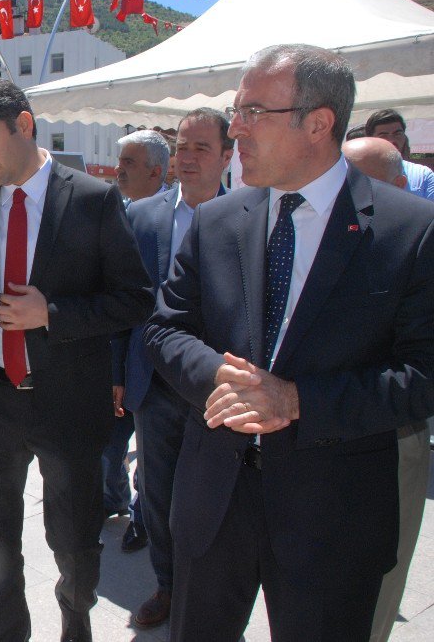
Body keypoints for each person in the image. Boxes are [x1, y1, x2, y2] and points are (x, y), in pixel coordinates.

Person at [143, 44, 434, 641]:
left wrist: (298, 400)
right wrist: (220, 377)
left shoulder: (410, 230)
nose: (236, 127)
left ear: (318, 123)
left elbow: (423, 377)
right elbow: (166, 327)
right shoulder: (218, 219)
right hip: (213, 503)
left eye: (253, 111)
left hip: (334, 518)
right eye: (236, 109)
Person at [0, 78, 153, 641]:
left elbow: (135, 298)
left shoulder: (91, 198)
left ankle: (74, 617)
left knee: (75, 539)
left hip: (67, 401)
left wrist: (51, 313)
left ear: (25, 125)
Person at [112, 108, 233, 629]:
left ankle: (211, 591)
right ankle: (167, 586)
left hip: (221, 393)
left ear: (229, 156)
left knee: (214, 504)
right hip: (154, 386)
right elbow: (124, 303)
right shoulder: (143, 217)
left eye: (201, 148)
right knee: (157, 496)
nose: (187, 157)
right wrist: (119, 373)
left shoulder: (254, 216)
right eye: (182, 146)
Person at [342, 136, 432, 642]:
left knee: (377, 583)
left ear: (400, 187)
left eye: (365, 180)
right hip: (326, 450)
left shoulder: (419, 244)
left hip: (393, 440)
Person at [103, 129, 171, 548]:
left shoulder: (182, 218)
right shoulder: (118, 213)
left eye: (128, 163)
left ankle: (143, 519)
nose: (117, 170)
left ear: (156, 171)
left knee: (150, 452)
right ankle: (113, 501)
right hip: (118, 355)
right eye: (120, 161)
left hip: (157, 362)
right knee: (110, 445)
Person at [364, 108, 434, 201]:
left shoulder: (423, 175)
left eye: (397, 134)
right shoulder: (360, 176)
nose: (392, 140)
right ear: (370, 139)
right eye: (383, 135)